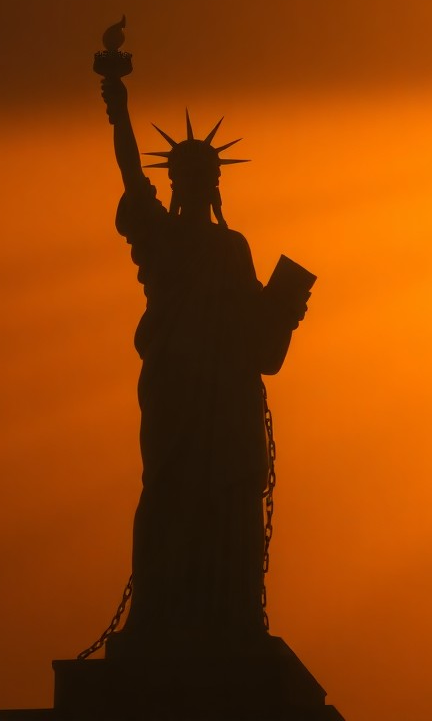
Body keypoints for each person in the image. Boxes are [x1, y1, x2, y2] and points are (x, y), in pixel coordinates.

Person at [100, 76, 309, 654]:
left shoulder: (232, 247)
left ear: (215, 184)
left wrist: (285, 306)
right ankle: (155, 614)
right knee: (168, 490)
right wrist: (119, 112)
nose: (200, 185)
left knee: (228, 498)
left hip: (229, 396)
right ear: (176, 182)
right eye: (190, 177)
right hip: (175, 389)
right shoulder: (162, 239)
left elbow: (257, 344)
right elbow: (129, 175)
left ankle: (230, 615)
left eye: (208, 177)